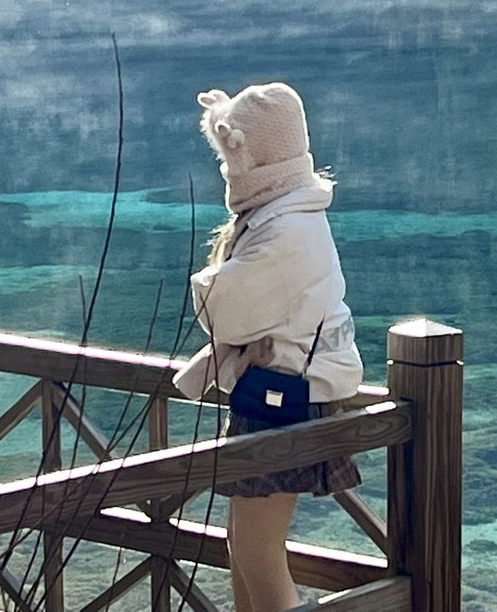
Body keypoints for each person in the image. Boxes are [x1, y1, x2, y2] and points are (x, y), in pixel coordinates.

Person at [173, 82, 364, 612]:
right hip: (284, 397)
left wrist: (216, 286)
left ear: (255, 157)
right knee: (244, 550)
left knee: (257, 554)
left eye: (232, 157)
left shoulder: (284, 231)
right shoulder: (291, 217)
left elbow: (221, 308)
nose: (228, 172)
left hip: (284, 405)